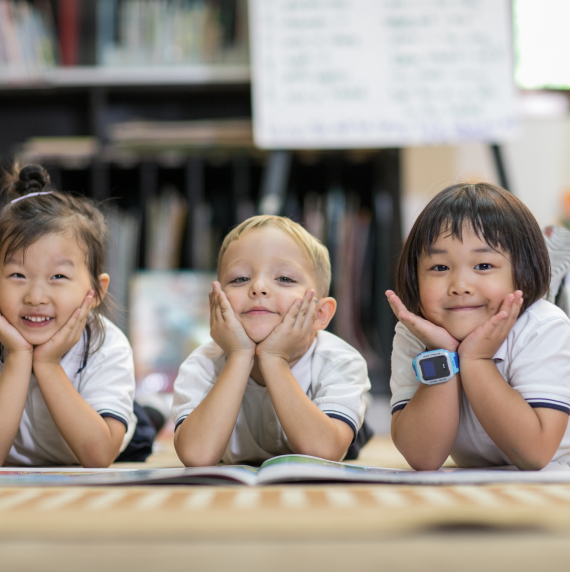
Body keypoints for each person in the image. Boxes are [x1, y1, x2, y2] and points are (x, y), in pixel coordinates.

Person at [387, 182, 570, 471]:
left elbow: (535, 453)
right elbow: (423, 457)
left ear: (523, 271)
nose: (460, 286)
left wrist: (476, 359)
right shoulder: (417, 333)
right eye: (440, 267)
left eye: (483, 266)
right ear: (414, 276)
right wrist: (442, 354)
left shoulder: (543, 327)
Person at [172, 215, 372, 466]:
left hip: (331, 426)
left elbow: (323, 452)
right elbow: (196, 456)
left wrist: (274, 359)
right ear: (215, 302)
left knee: (352, 434)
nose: (258, 288)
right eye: (240, 279)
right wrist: (239, 355)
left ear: (320, 314)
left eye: (285, 279)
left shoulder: (340, 360)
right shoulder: (202, 364)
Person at [0, 164, 155, 467]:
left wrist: (46, 363)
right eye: (17, 274)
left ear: (96, 290)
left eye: (58, 276)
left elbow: (99, 456)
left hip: (108, 432)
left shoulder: (106, 344)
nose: (35, 297)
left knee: (142, 428)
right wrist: (18, 356)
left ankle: (151, 410)